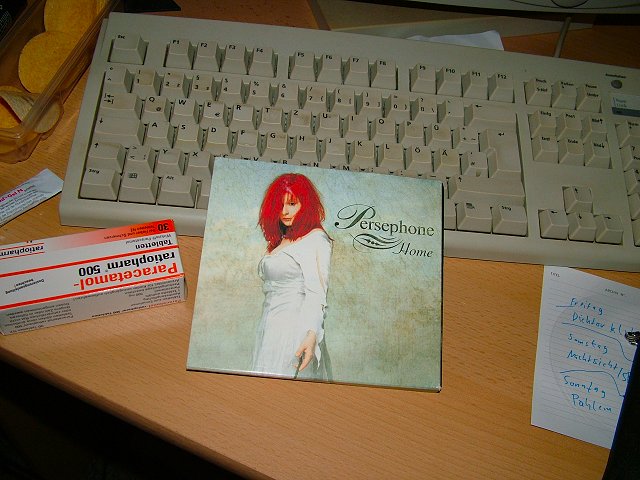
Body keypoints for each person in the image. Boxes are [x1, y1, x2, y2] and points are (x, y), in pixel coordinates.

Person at [251, 172, 333, 379]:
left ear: (306, 204)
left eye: (292, 204)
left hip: (295, 326)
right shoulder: (281, 240)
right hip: (270, 325)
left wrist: (311, 334)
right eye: (280, 205)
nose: (284, 211)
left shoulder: (316, 238)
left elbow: (317, 293)